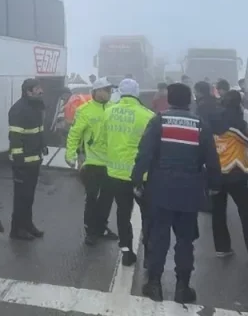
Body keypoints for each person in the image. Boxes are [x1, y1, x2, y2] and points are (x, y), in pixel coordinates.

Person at [132, 83, 222, 303]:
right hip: (190, 191)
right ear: (189, 100)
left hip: (160, 189)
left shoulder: (159, 121)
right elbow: (212, 159)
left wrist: (137, 179)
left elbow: (145, 153)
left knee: (158, 237)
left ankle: (154, 285)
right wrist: (214, 185)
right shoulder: (200, 124)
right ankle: (183, 287)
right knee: (185, 240)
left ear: (170, 100)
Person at [101, 78, 155, 266]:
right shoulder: (147, 115)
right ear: (137, 93)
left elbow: (103, 140)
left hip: (115, 173)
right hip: (141, 176)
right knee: (148, 215)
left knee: (122, 214)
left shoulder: (108, 112)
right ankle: (150, 254)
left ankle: (126, 252)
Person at [65, 78, 120, 244]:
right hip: (92, 163)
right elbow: (75, 133)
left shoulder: (114, 109)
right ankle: (90, 231)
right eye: (106, 90)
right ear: (96, 91)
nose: (109, 93)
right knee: (92, 197)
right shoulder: (84, 110)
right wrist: (70, 154)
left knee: (107, 198)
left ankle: (101, 227)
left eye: (110, 90)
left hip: (111, 163)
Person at [9, 78, 48, 240]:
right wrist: (18, 161)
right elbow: (15, 137)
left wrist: (43, 145)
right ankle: (17, 230)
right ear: (28, 92)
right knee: (21, 198)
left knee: (29, 197)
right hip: (23, 162)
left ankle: (28, 225)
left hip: (34, 160)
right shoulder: (18, 110)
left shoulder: (36, 107)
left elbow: (39, 130)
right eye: (37, 89)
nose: (41, 91)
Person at [210, 90, 248, 258]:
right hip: (236, 172)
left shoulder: (212, 121)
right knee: (245, 212)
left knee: (218, 212)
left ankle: (222, 248)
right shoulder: (238, 123)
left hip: (215, 172)